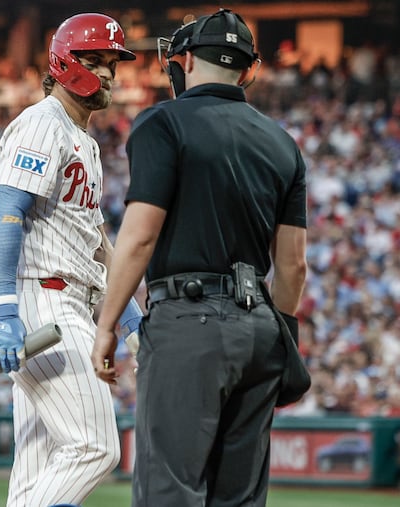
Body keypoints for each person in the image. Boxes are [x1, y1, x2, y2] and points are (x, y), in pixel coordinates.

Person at [91, 8, 308, 506]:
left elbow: (140, 237)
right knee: (238, 498)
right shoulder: (283, 143)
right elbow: (293, 265)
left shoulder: (162, 122)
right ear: (249, 70)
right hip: (261, 329)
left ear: (184, 60)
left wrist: (107, 323)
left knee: (171, 490)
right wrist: (284, 336)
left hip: (189, 321)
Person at [0, 12, 142, 507]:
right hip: (42, 302)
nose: (110, 75)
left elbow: (94, 237)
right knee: (95, 447)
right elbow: (8, 212)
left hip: (70, 299)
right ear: (67, 63)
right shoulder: (40, 125)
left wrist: (129, 314)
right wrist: (5, 307)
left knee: (36, 471)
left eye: (113, 64)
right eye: (99, 62)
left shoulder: (86, 143)